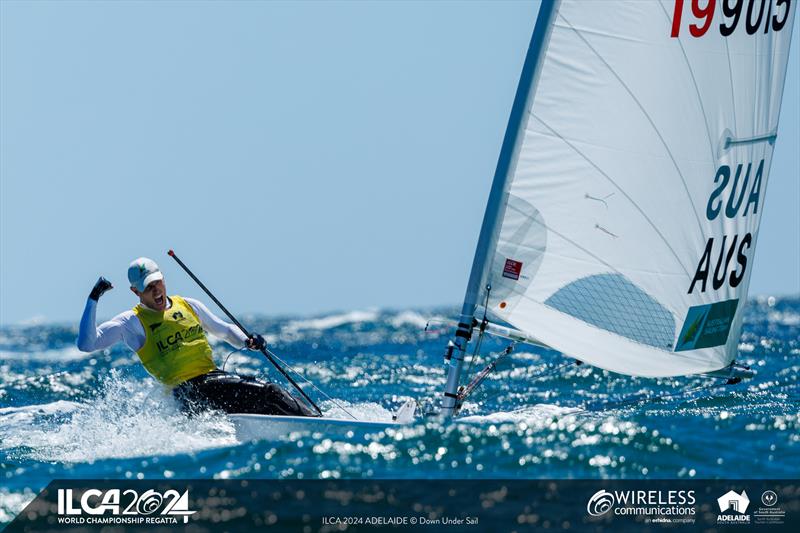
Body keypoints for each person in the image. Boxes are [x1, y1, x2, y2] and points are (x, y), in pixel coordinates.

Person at [77, 257, 317, 417]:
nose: (156, 290)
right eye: (148, 287)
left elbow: (223, 329)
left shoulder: (188, 305)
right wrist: (94, 298)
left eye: (158, 283)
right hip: (188, 392)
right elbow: (87, 344)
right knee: (270, 393)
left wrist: (247, 339)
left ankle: (309, 420)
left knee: (265, 399)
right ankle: (320, 424)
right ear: (135, 291)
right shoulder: (131, 322)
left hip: (213, 380)